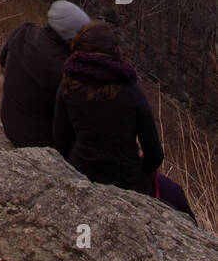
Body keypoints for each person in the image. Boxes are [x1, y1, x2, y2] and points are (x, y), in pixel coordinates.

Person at [52, 22, 196, 222]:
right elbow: (154, 155)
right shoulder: (131, 92)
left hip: (81, 172)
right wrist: (138, 168)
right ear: (114, 52)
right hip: (128, 180)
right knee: (176, 196)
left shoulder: (67, 86)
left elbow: (60, 139)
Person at [0, 0, 91, 147]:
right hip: (39, 141)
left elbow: (2, 60)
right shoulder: (63, 67)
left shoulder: (23, 31)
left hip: (9, 124)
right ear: (71, 37)